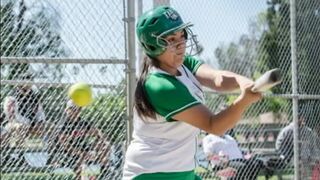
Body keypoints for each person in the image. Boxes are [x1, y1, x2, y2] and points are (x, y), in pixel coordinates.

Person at [122, 6, 262, 180]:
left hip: (181, 171)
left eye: (182, 36)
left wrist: (242, 81)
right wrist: (244, 101)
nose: (180, 45)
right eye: (171, 39)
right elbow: (214, 125)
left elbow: (217, 79)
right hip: (152, 173)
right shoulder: (160, 85)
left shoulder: (183, 64)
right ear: (152, 46)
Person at [48, 100, 110, 180]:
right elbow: (65, 146)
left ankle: (105, 173)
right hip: (64, 154)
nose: (76, 111)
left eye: (78, 109)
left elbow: (97, 132)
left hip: (82, 151)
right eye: (73, 109)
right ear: (67, 110)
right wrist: (82, 154)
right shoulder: (63, 124)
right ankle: (82, 177)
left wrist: (101, 141)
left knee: (105, 145)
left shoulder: (82, 122)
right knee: (80, 162)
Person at [266, 113, 320, 178]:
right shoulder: (288, 130)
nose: (302, 120)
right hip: (288, 156)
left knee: (305, 155)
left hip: (305, 156)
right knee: (301, 161)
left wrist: (315, 157)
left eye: (302, 118)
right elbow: (279, 146)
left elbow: (313, 145)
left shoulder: (307, 131)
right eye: (299, 118)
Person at [12, 72, 46, 137]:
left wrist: (37, 120)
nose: (29, 85)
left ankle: (37, 130)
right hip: (20, 115)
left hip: (31, 115)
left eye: (30, 81)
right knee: (22, 126)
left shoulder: (33, 91)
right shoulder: (16, 91)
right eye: (28, 81)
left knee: (41, 113)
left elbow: (37, 105)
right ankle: (29, 131)